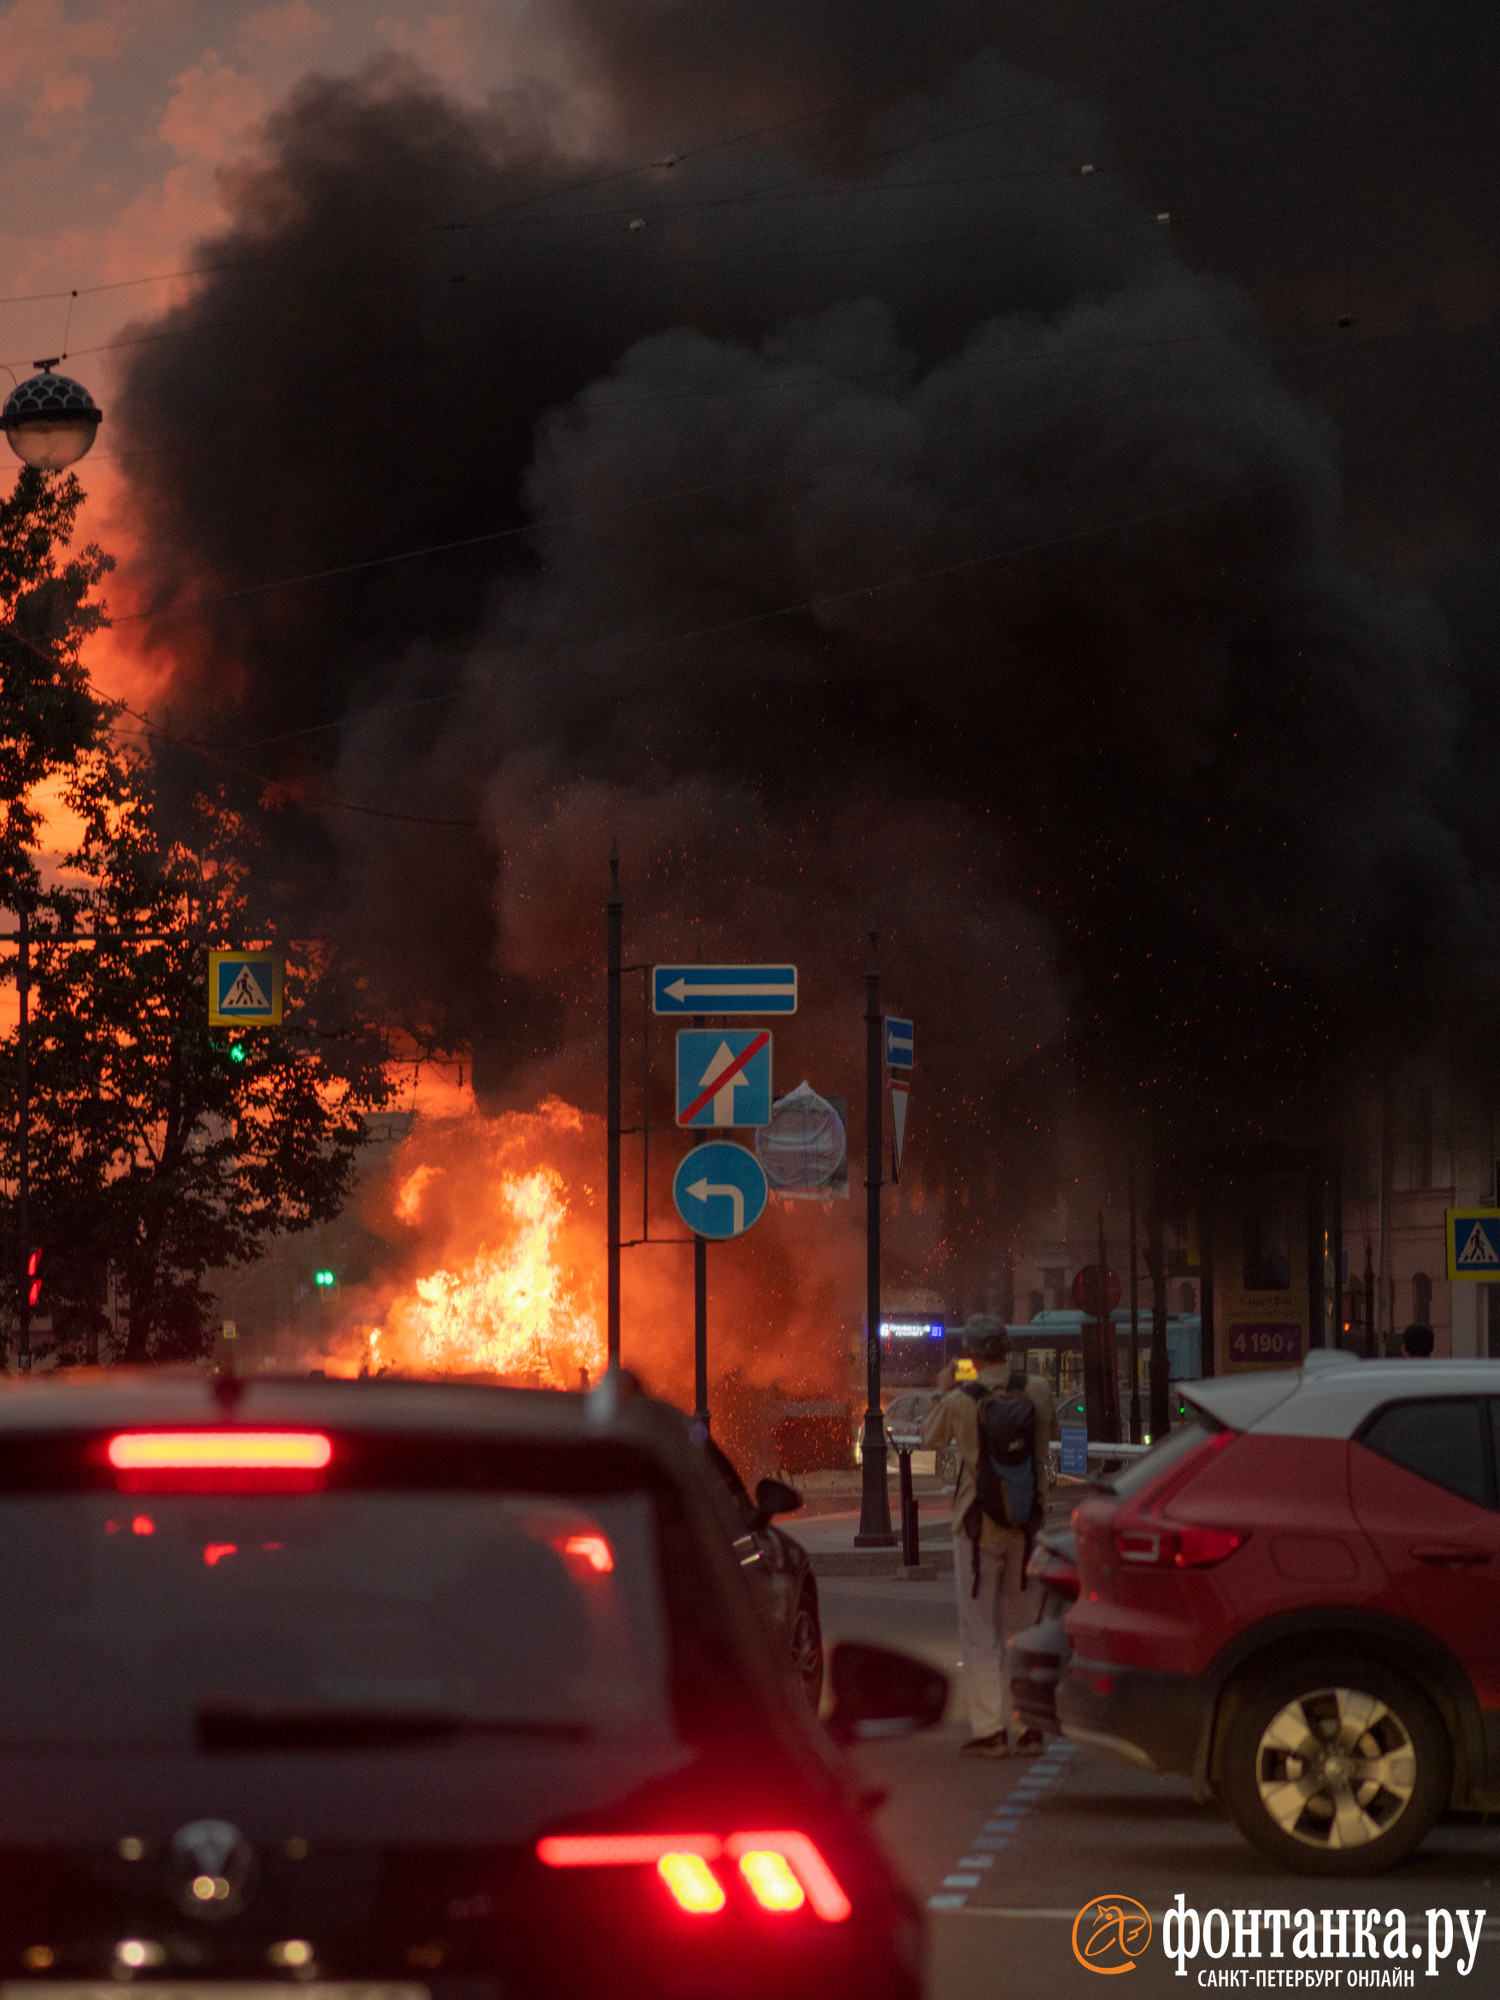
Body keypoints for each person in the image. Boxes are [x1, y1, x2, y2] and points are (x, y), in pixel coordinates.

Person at [922, 1313, 1055, 1757]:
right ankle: (1030, 1726)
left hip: (976, 1526)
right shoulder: (1036, 1390)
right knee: (1024, 1627)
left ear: (970, 1354)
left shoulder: (961, 1398)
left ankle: (989, 1731)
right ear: (1009, 1347)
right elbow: (1048, 1437)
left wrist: (945, 1388)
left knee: (980, 1631)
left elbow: (929, 1439)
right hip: (1027, 1523)